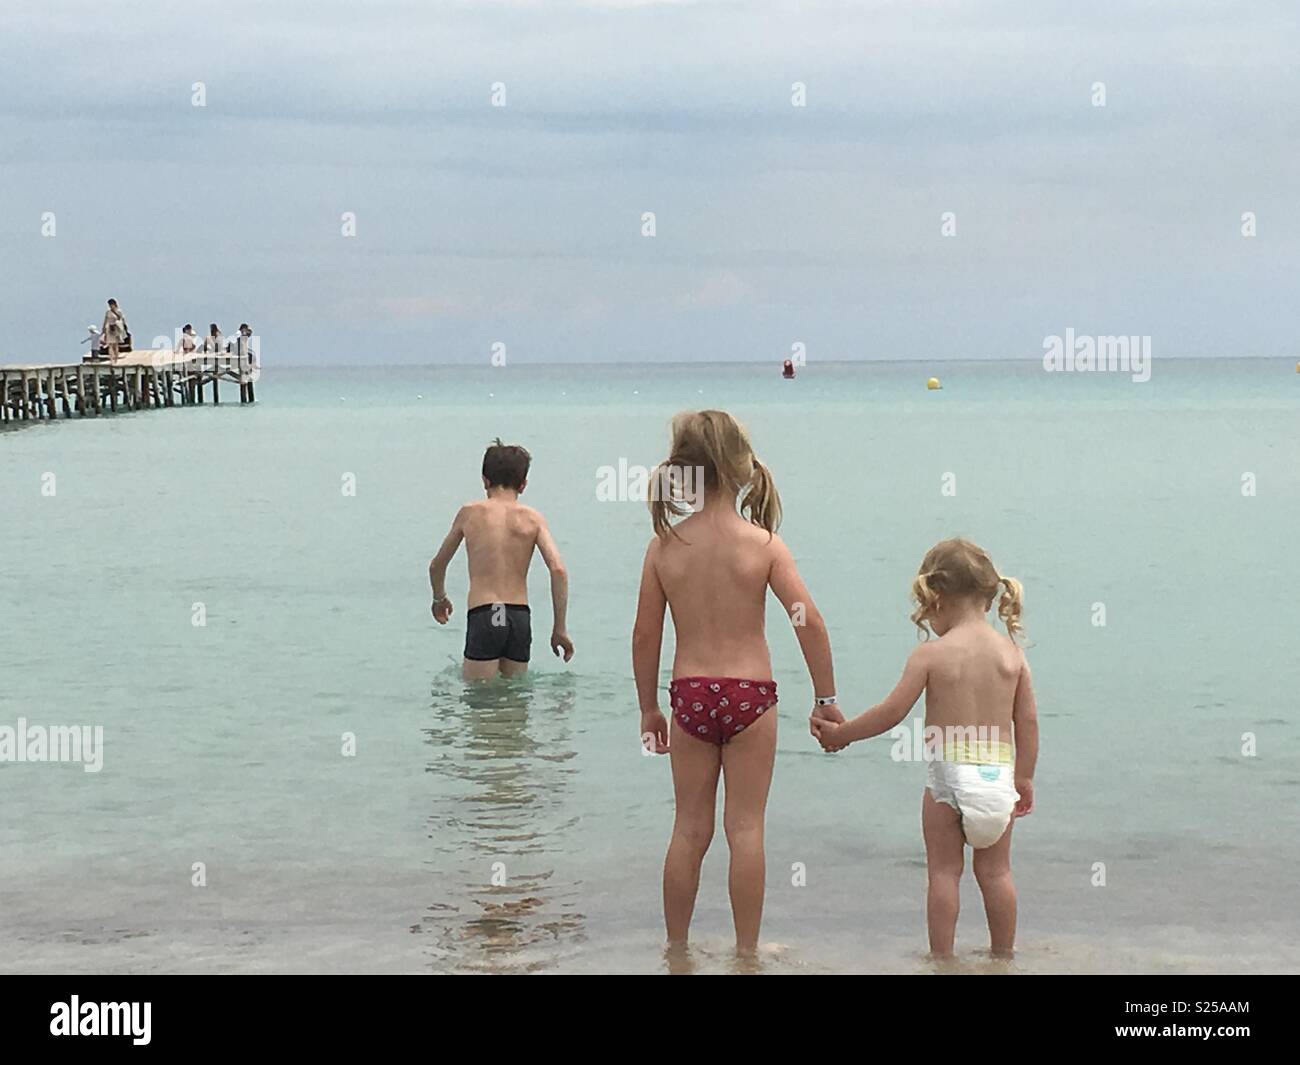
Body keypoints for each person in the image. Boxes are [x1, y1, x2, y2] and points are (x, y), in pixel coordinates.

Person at [632, 410, 841, 956]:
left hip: (690, 696)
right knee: (745, 831)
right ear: (741, 464)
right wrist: (826, 700)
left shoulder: (665, 548)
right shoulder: (764, 544)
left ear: (684, 470)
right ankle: (746, 954)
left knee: (688, 830)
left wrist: (648, 709)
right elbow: (808, 620)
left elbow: (644, 635)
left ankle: (676, 950)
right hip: (751, 697)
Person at [811, 538, 1039, 958]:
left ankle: (943, 960)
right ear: (989, 597)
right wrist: (1023, 777)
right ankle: (1003, 957)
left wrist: (842, 735)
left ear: (936, 598)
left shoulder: (931, 655)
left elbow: (892, 712)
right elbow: (1027, 723)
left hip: (949, 777)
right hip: (997, 777)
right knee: (996, 872)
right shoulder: (1012, 655)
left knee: (944, 872)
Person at [428, 439, 574, 681]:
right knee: (515, 709)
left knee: (480, 705)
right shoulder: (533, 519)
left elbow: (437, 565)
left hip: (486, 613)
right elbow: (558, 570)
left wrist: (439, 598)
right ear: (523, 484)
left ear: (484, 480)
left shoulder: (470, 513)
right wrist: (559, 628)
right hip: (518, 616)